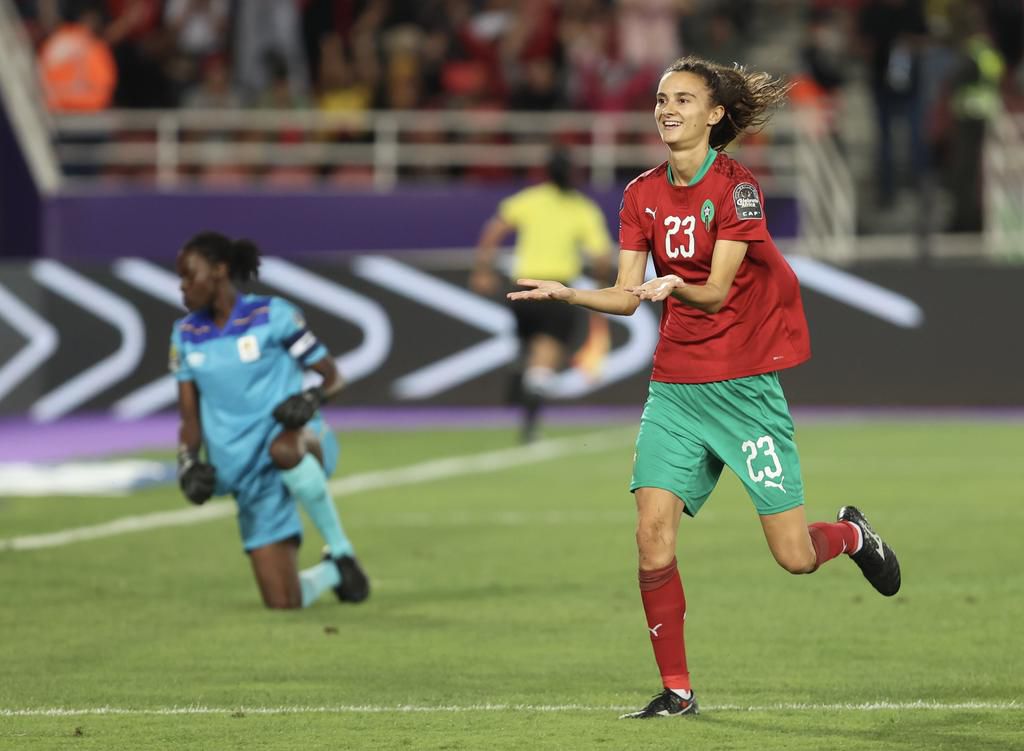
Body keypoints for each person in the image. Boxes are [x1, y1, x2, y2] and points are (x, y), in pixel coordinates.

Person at [508, 56, 902, 719]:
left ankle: (853, 537)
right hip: (675, 389)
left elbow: (716, 291)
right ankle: (678, 691)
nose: (667, 109)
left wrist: (673, 285)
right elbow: (628, 296)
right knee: (651, 535)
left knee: (794, 556)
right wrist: (571, 293)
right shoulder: (640, 194)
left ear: (715, 114)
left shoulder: (738, 188)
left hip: (744, 392)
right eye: (662, 99)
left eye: (683, 99)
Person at [170, 231, 369, 609]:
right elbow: (189, 418)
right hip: (246, 476)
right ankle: (334, 572)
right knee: (284, 602)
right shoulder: (185, 335)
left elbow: (333, 377)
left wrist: (310, 399)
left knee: (283, 448)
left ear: (219, 270)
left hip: (301, 441)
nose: (182, 286)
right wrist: (188, 463)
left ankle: (340, 548)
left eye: (189, 275)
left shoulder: (272, 316)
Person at [471, 148, 613, 443]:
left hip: (522, 289)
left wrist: (483, 269)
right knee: (546, 357)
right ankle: (530, 424)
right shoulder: (582, 208)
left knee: (528, 345)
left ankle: (520, 369)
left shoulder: (530, 199)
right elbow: (601, 256)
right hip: (555, 292)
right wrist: (602, 284)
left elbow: (494, 229)